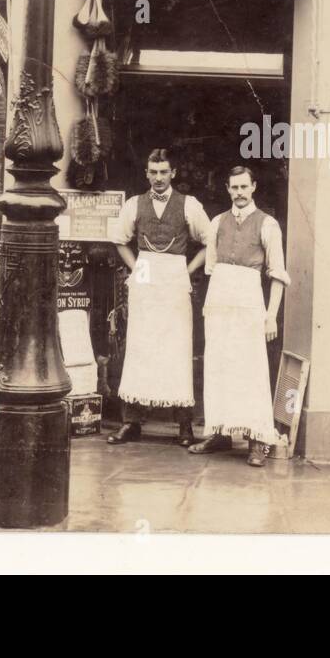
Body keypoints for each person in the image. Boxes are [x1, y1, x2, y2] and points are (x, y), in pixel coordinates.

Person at [107, 148, 211, 447]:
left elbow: (208, 241)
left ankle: (185, 426)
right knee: (141, 346)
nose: (158, 178)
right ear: (147, 174)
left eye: (164, 172)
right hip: (145, 273)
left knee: (177, 349)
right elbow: (119, 240)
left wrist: (187, 270)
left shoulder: (189, 205)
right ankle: (132, 422)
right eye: (153, 172)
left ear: (173, 173)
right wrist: (136, 268)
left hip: (175, 275)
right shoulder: (134, 205)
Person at [189, 166, 289, 467]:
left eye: (244, 187)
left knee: (251, 370)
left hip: (249, 303)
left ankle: (257, 441)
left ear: (254, 187)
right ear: (227, 189)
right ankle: (220, 433)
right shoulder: (218, 222)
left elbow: (278, 274)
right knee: (219, 367)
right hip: (220, 302)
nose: (239, 193)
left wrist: (271, 316)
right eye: (234, 188)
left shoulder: (268, 224)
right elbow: (212, 267)